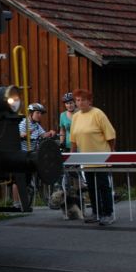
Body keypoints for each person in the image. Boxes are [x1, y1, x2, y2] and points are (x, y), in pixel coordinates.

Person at [71, 88, 117, 226]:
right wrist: (72, 155)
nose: (80, 103)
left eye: (83, 100)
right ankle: (96, 212)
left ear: (89, 101)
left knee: (103, 187)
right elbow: (73, 138)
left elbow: (111, 134)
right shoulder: (76, 117)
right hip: (86, 158)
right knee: (91, 187)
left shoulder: (98, 114)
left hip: (101, 157)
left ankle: (108, 213)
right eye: (77, 100)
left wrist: (112, 151)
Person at [14, 103, 57, 212]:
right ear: (31, 113)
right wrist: (24, 135)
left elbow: (43, 135)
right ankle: (16, 203)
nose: (39, 115)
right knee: (18, 180)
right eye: (37, 113)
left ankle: (26, 202)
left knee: (27, 180)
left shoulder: (37, 125)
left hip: (31, 155)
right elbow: (18, 134)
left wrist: (50, 133)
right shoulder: (24, 123)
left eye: (40, 113)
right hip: (22, 155)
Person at [58, 92, 84, 220]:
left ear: (75, 103)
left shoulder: (80, 113)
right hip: (68, 146)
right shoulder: (63, 115)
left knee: (78, 171)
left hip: (79, 145)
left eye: (71, 102)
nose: (69, 105)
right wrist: (61, 142)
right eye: (67, 103)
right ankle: (69, 200)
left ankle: (82, 195)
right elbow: (62, 129)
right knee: (68, 173)